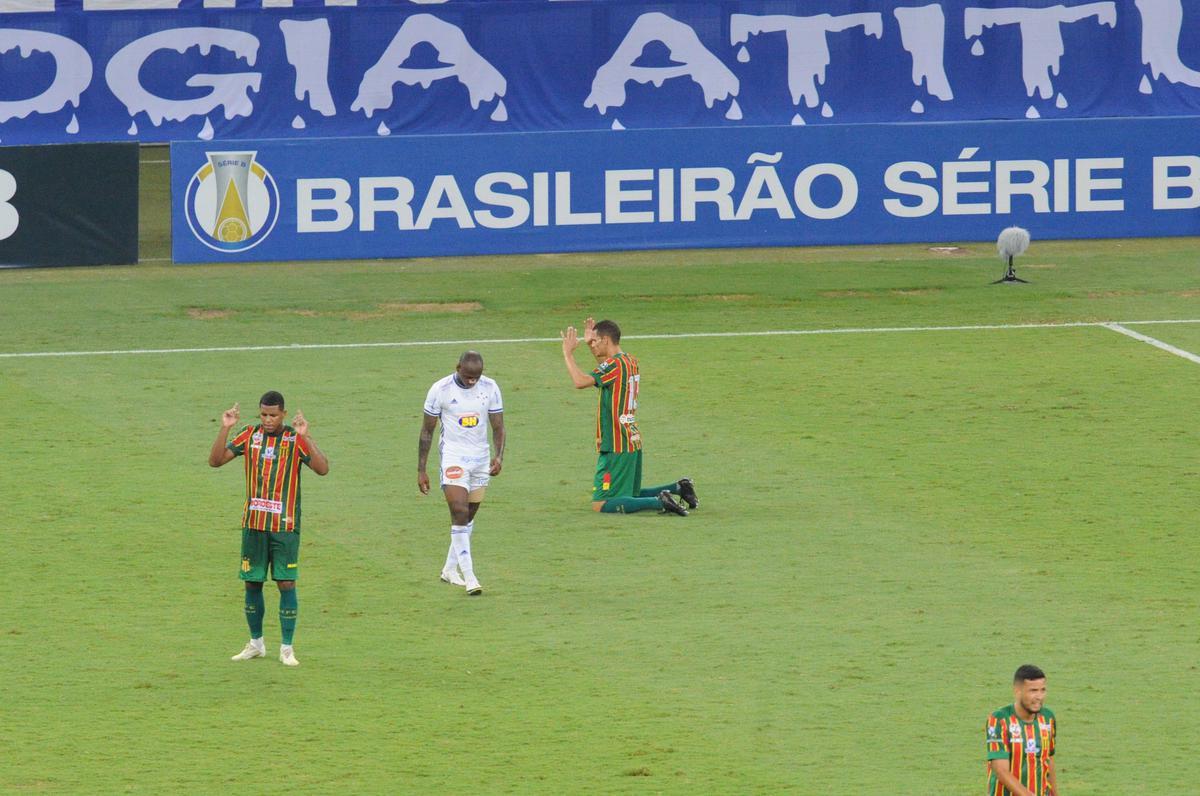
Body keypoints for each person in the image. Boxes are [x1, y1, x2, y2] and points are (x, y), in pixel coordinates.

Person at [208, 391, 330, 667]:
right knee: (252, 582)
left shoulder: (294, 439)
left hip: (285, 526)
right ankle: (256, 644)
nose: (268, 420)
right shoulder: (249, 434)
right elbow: (215, 461)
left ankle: (286, 648)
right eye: (263, 414)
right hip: (254, 523)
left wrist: (306, 436)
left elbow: (322, 469)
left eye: (273, 415)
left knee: (286, 582)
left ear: (283, 414)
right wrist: (225, 427)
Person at [560, 317, 697, 515]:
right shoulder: (629, 361)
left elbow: (580, 381)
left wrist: (567, 354)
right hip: (631, 439)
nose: (593, 344)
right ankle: (679, 488)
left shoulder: (614, 366)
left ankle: (660, 502)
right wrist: (591, 345)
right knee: (628, 494)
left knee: (601, 503)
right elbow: (605, 368)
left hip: (615, 444)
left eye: (596, 341)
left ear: (606, 340)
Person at [418, 350, 506, 595]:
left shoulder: (490, 388)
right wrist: (421, 469)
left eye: (476, 376)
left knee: (468, 516)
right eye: (468, 376)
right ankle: (470, 577)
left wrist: (499, 456)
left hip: (480, 459)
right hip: (453, 457)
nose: (472, 381)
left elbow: (498, 427)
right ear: (457, 368)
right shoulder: (440, 390)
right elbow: (426, 431)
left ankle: (449, 569)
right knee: (459, 510)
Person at [985, 664, 1057, 796]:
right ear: (1017, 691)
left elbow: (1049, 760)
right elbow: (1001, 770)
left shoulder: (1048, 718)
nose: (1039, 696)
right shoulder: (999, 720)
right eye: (1033, 691)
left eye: (1042, 690)